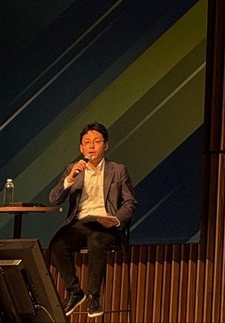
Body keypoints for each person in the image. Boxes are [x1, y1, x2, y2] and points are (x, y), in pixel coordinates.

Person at [48, 122, 138, 319]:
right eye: (87, 142)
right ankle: (74, 292)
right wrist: (70, 178)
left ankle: (93, 298)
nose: (91, 146)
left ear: (105, 145)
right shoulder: (72, 169)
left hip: (106, 224)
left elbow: (130, 202)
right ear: (81, 148)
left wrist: (116, 220)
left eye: (96, 141)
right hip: (79, 223)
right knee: (57, 245)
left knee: (96, 243)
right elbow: (54, 198)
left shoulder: (118, 170)